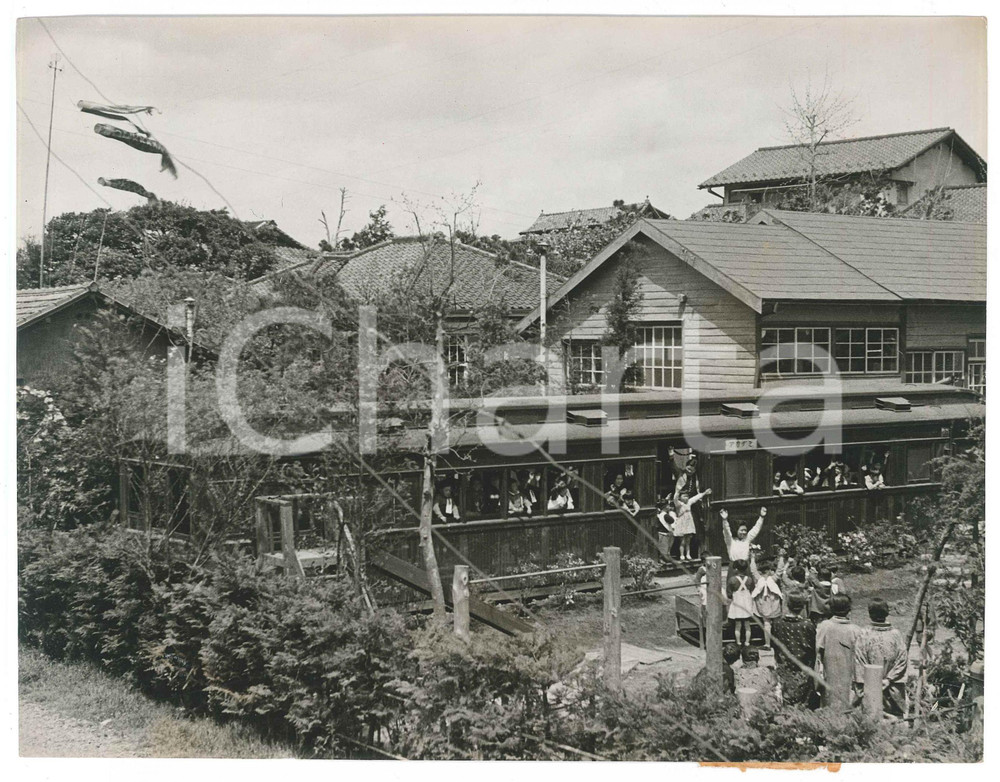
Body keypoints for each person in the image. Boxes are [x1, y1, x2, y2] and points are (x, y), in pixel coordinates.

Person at [854, 598, 908, 717]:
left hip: (870, 686)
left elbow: (860, 661)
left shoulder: (864, 634)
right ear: (887, 613)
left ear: (869, 614)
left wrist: (873, 681)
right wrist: (888, 679)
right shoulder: (896, 634)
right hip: (892, 684)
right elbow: (902, 660)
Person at [770, 592, 817, 707]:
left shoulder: (777, 623)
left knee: (785, 702)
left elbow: (773, 645)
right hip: (803, 669)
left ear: (787, 604)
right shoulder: (808, 625)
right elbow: (813, 647)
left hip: (784, 667)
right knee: (802, 704)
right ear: (802, 606)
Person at [815, 594, 860, 709]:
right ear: (849, 610)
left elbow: (818, 651)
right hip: (849, 673)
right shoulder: (856, 630)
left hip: (829, 672)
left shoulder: (824, 626)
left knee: (829, 703)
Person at [751, 559, 783, 649]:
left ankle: (767, 643)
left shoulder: (759, 579)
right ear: (769, 570)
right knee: (777, 623)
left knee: (766, 623)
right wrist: (781, 558)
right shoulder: (773, 579)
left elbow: (753, 570)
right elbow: (779, 570)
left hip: (763, 603)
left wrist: (753, 559)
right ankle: (778, 641)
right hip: (774, 603)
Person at [673, 487, 711, 561]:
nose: (686, 498)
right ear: (680, 498)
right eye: (684, 496)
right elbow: (675, 498)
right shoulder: (679, 504)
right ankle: (682, 555)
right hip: (682, 523)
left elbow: (696, 498)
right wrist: (677, 491)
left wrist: (704, 493)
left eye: (687, 496)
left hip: (688, 523)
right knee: (682, 541)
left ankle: (688, 554)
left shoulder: (689, 502)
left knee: (688, 540)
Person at [727, 559, 756, 648]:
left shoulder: (732, 580)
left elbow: (729, 593)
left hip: (737, 603)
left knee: (738, 625)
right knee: (747, 625)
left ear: (736, 569)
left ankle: (738, 642)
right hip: (747, 603)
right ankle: (747, 642)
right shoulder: (750, 579)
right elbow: (752, 590)